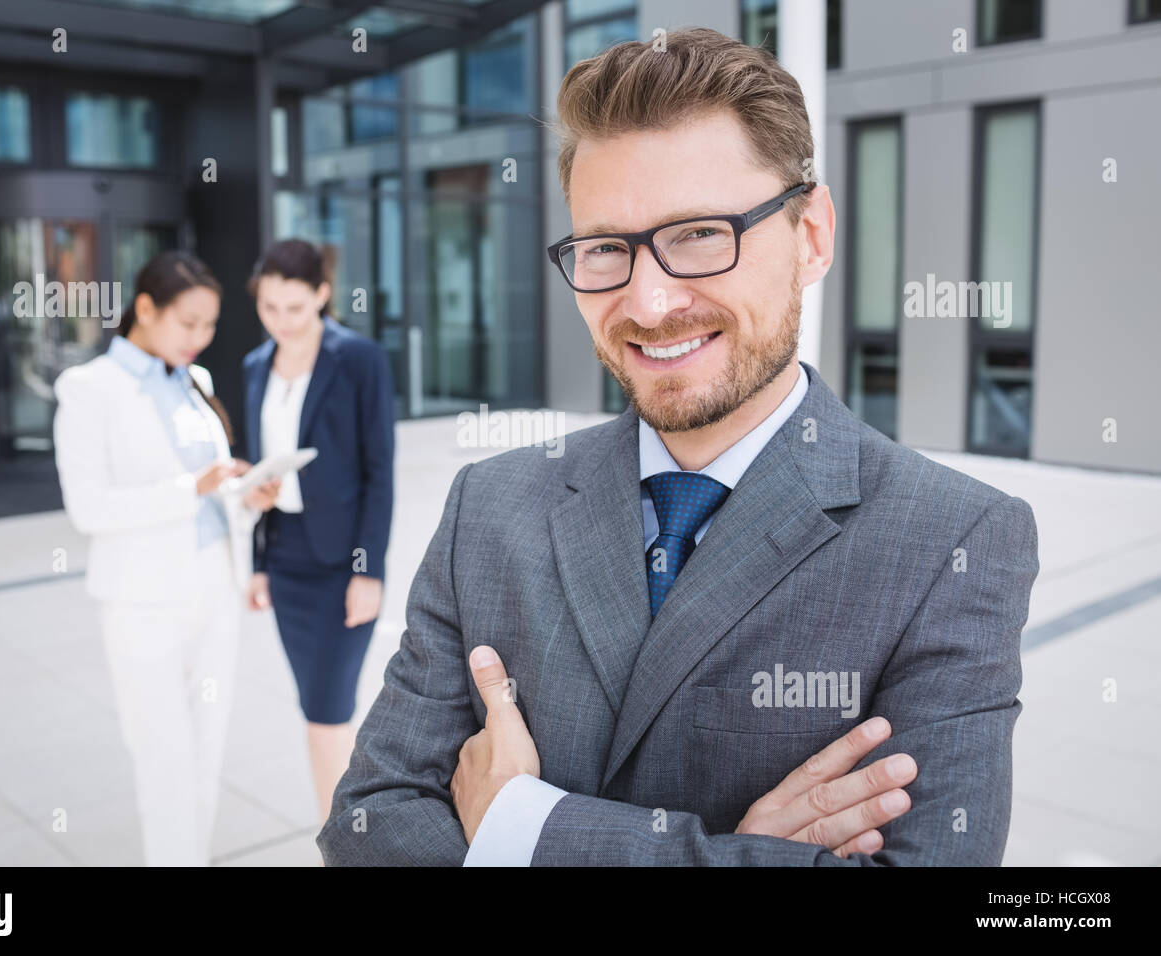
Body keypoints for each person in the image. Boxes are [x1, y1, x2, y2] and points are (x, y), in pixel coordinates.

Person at [317, 28, 1040, 866]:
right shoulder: (489, 506)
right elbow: (367, 823)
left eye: (700, 234)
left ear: (812, 234)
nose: (650, 302)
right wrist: (744, 853)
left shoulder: (953, 540)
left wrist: (522, 829)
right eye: (605, 249)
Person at [53, 251, 281, 866]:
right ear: (145, 309)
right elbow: (90, 509)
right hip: (143, 605)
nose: (199, 338)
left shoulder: (195, 381)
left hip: (215, 594)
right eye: (188, 322)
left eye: (209, 325)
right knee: (164, 761)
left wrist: (247, 499)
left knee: (206, 758)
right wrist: (194, 487)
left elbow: (214, 502)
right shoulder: (88, 389)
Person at [241, 239, 395, 826]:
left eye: (295, 309)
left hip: (340, 566)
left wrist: (368, 570)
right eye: (269, 308)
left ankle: (343, 839)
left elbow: (378, 474)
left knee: (328, 712)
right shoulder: (256, 366)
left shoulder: (358, 360)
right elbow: (259, 466)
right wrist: (258, 562)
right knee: (316, 708)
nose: (280, 322)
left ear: (323, 296)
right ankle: (344, 830)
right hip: (285, 559)